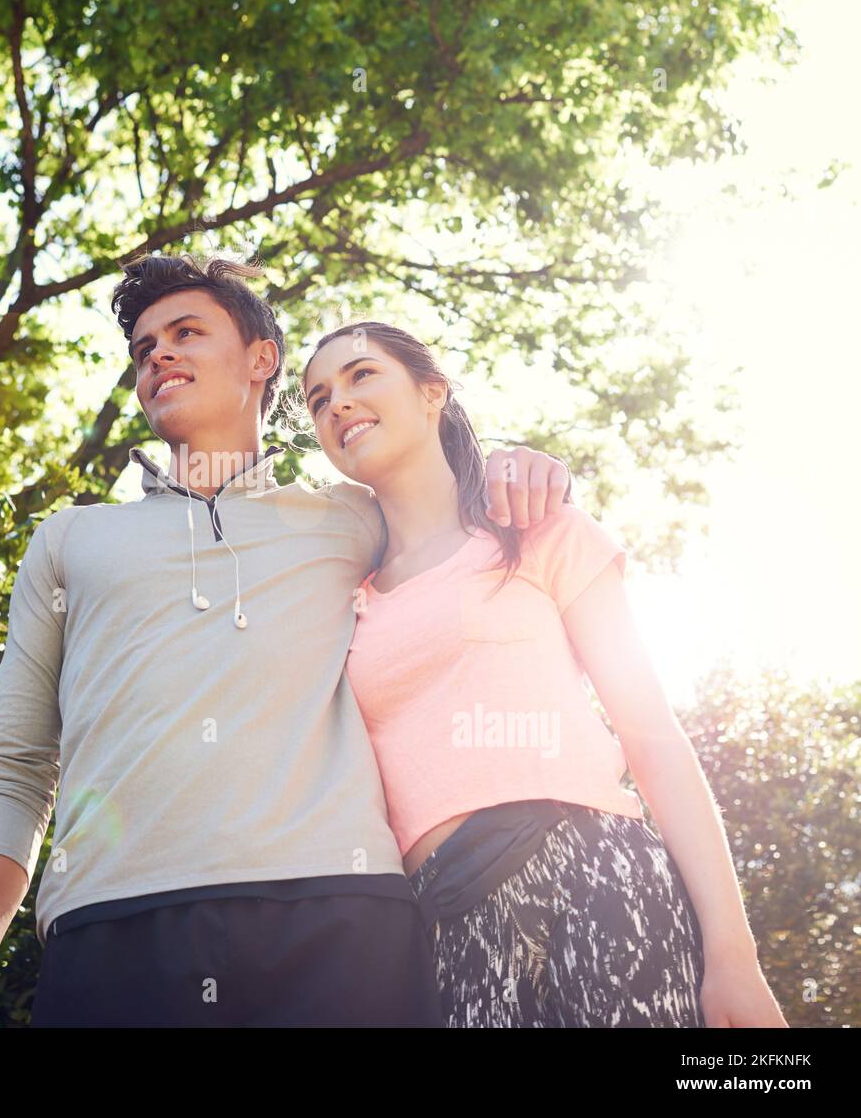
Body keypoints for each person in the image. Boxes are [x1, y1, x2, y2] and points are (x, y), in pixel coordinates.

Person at [0, 255, 568, 1027]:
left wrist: (510, 464)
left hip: (345, 915)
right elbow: (15, 762)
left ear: (262, 359)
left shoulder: (355, 518)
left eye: (186, 332)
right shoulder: (70, 540)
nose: (157, 353)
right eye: (143, 347)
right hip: (112, 928)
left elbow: (451, 520)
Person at [300, 320, 787, 1028]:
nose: (336, 402)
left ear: (433, 393)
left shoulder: (537, 529)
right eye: (317, 399)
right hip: (448, 920)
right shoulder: (345, 600)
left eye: (360, 375)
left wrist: (734, 959)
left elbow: (654, 742)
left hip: (596, 875)